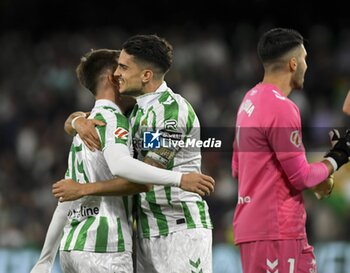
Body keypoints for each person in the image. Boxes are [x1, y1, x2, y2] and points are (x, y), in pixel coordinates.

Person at [31, 48, 214, 273]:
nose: (121, 73)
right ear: (111, 78)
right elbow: (135, 177)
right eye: (119, 67)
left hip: (178, 227)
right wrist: (180, 179)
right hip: (115, 243)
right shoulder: (120, 120)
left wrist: (45, 260)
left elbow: (144, 174)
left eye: (124, 67)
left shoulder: (164, 111)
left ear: (146, 74)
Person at [231, 27, 350, 273]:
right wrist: (337, 158)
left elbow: (237, 169)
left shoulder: (249, 100)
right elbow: (302, 176)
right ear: (293, 64)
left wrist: (314, 176)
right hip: (277, 231)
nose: (307, 65)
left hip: (254, 228)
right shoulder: (282, 107)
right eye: (305, 59)